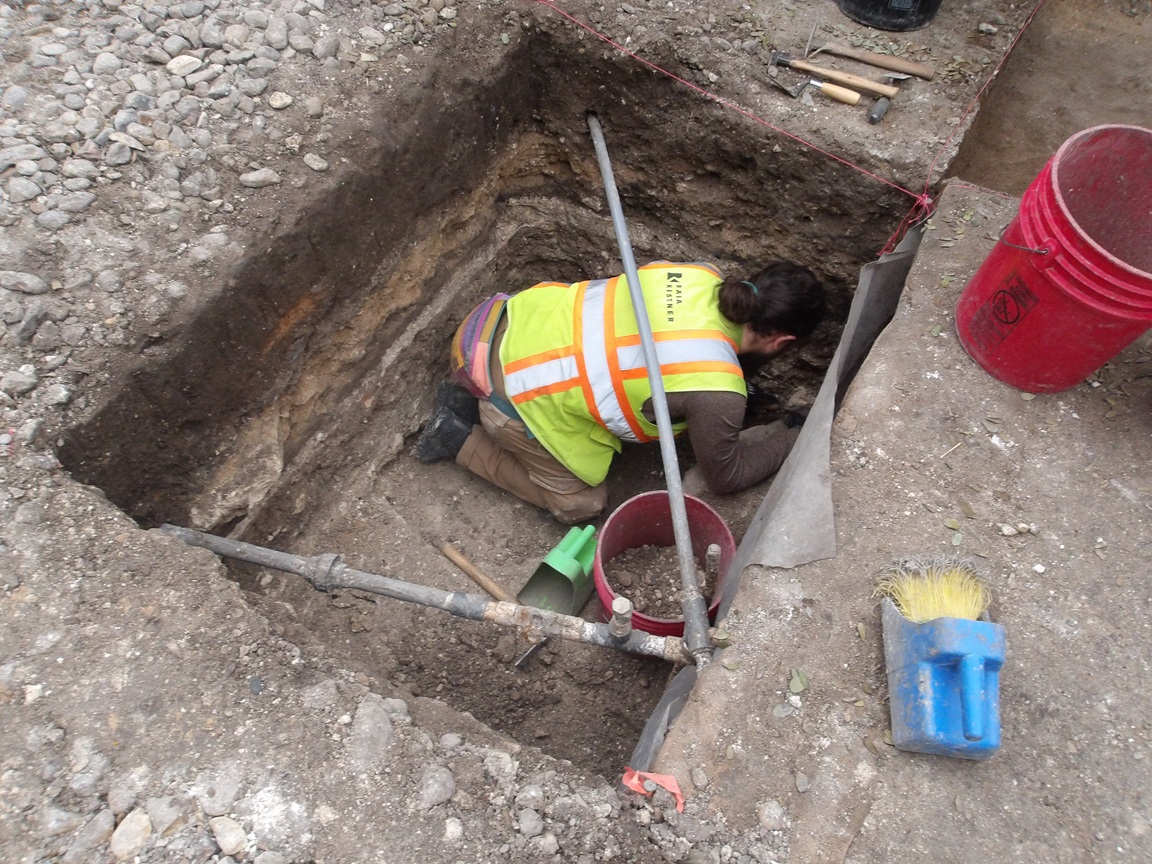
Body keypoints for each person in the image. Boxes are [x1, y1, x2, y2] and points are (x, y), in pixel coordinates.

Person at [414, 260, 825, 524]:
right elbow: (727, 475)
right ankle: (457, 437)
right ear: (782, 341)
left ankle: (467, 397)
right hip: (515, 394)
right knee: (582, 504)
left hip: (500, 323)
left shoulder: (700, 274)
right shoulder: (717, 391)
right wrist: (795, 437)